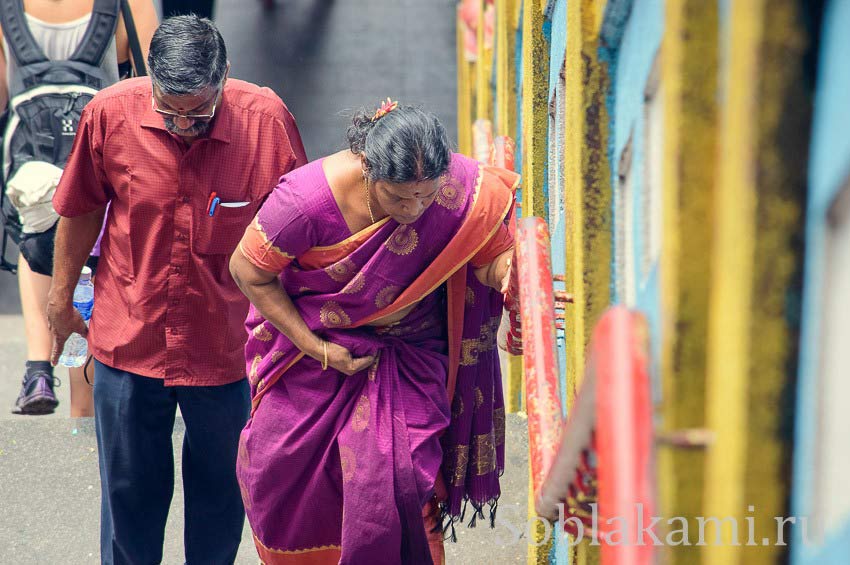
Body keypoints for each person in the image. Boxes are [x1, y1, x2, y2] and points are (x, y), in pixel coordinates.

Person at [46, 15, 307, 564]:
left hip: (228, 349)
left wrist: (300, 335)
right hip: (129, 338)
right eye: (169, 109)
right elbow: (81, 209)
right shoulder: (110, 113)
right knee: (127, 500)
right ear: (150, 80)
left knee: (222, 497)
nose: (183, 124)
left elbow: (297, 232)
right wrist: (60, 300)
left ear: (225, 77)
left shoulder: (266, 122)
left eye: (199, 111)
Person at [229, 100, 518, 564]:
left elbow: (490, 254)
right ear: (369, 169)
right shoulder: (304, 203)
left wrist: (509, 275)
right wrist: (319, 349)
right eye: (399, 197)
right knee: (281, 469)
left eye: (427, 195)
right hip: (312, 354)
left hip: (410, 356)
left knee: (403, 477)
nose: (414, 208)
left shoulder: (458, 188)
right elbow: (247, 271)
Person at [1, 0, 158, 417]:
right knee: (92, 264)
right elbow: (152, 83)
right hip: (100, 151)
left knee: (36, 244)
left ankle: (38, 366)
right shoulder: (129, 4)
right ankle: (84, 408)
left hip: (30, 156)